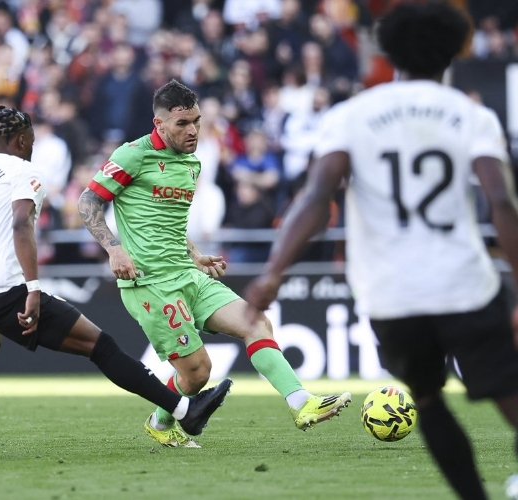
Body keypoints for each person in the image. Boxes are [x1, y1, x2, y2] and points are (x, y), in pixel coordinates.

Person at [244, 4, 518, 500]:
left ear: (388, 52)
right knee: (508, 389)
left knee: (428, 399)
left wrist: (273, 273)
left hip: (391, 291)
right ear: (454, 50)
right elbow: (500, 201)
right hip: (464, 282)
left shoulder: (351, 116)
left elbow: (316, 198)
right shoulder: (472, 115)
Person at [0, 106, 232, 458]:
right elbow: (21, 223)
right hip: (4, 289)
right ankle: (184, 411)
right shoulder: (24, 171)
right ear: (22, 139)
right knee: (100, 346)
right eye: (32, 140)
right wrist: (33, 288)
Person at [78, 79, 351, 448]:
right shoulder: (133, 155)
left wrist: (194, 254)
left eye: (196, 121)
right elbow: (87, 202)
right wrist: (113, 248)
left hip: (187, 273)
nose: (192, 131)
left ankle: (302, 405)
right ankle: (161, 423)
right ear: (158, 124)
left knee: (257, 321)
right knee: (197, 375)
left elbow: (167, 219)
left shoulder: (191, 162)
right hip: (151, 283)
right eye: (182, 124)